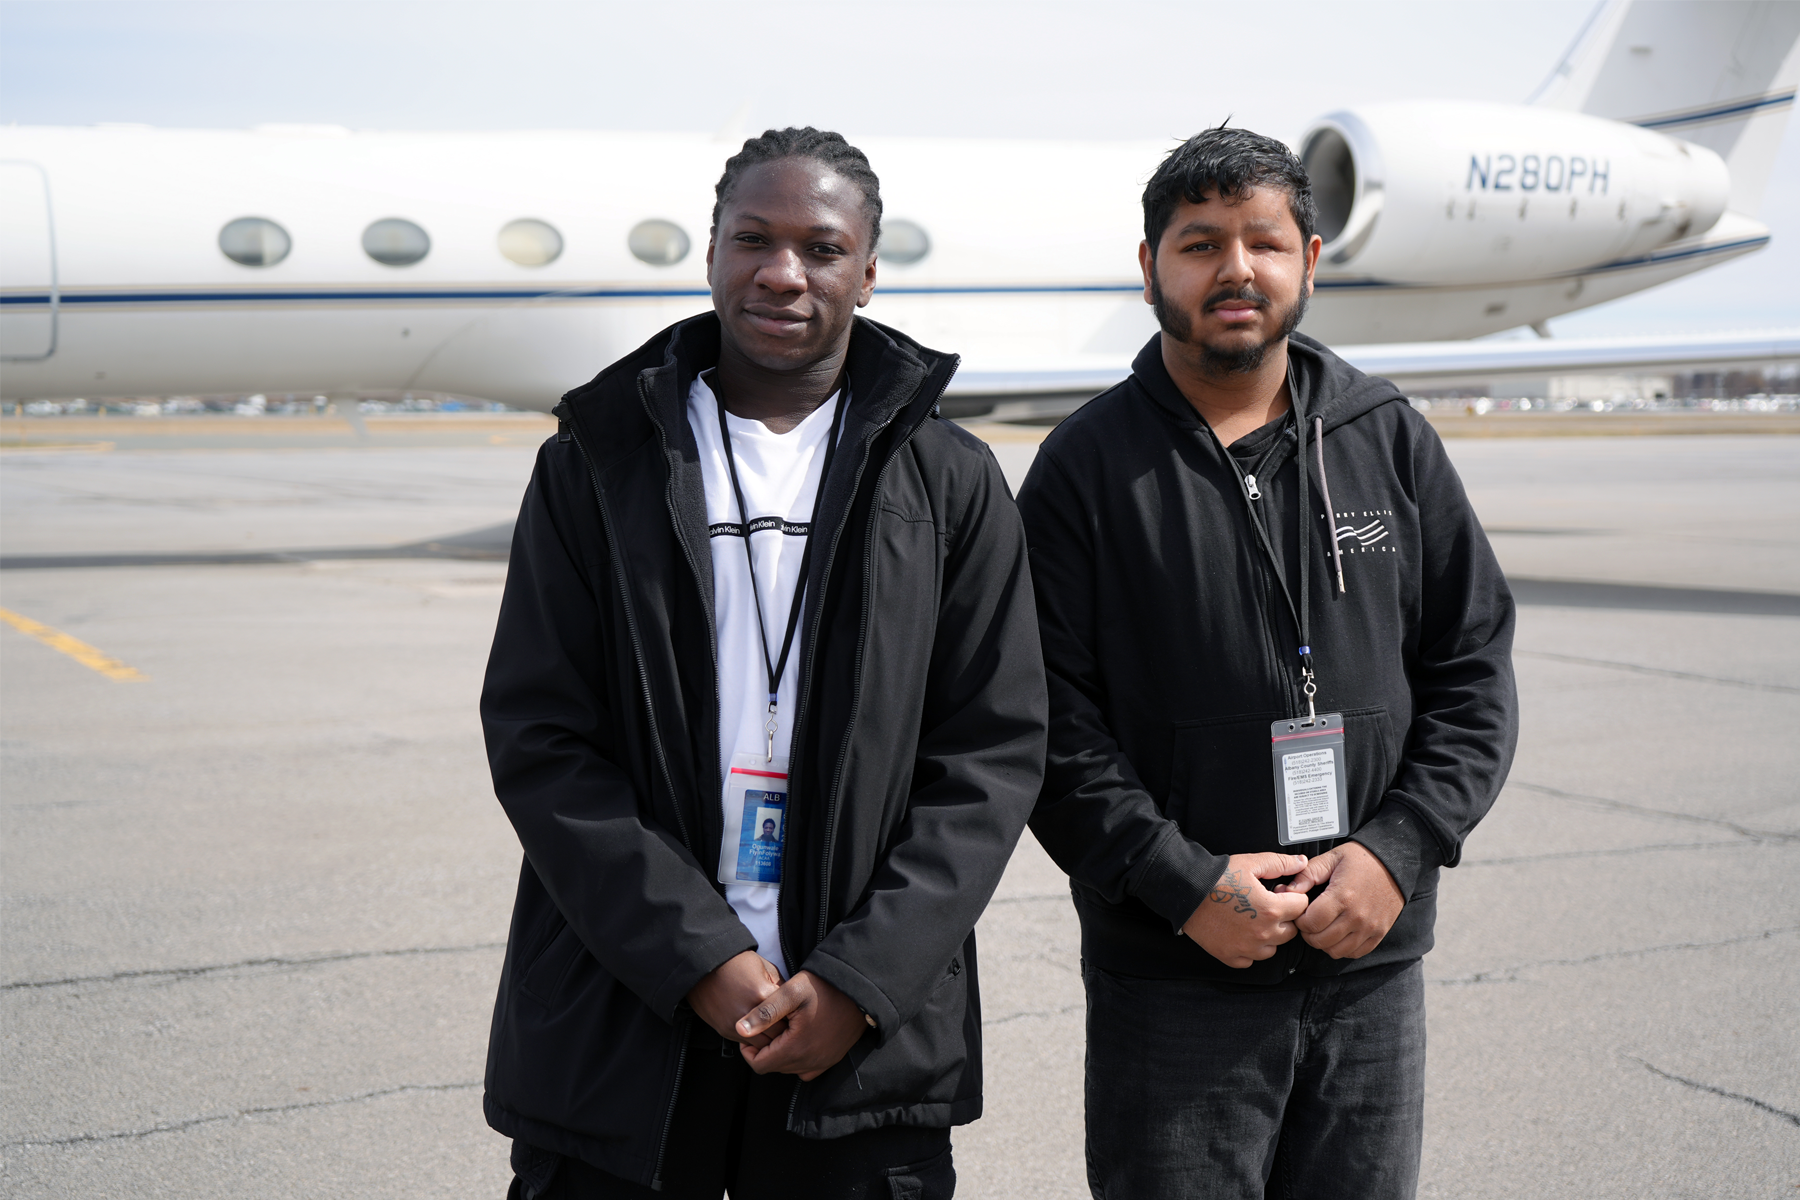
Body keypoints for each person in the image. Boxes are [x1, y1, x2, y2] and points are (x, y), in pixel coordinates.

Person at [479, 127, 1046, 1200]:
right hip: (625, 1024)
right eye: (754, 238)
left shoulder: (953, 484)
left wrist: (859, 979)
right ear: (711, 253)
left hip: (862, 1046)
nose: (783, 271)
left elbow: (993, 752)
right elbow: (542, 741)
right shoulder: (593, 467)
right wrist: (700, 957)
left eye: (822, 248)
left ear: (868, 273)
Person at [1016, 125, 1518, 1199]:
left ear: (1311, 260)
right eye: (1199, 245)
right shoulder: (1084, 471)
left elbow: (1472, 668)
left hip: (1368, 957)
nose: (1236, 269)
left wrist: (1398, 851)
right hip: (1177, 978)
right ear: (1149, 267)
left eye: (1264, 241)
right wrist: (1183, 883)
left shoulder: (1389, 439)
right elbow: (1048, 726)